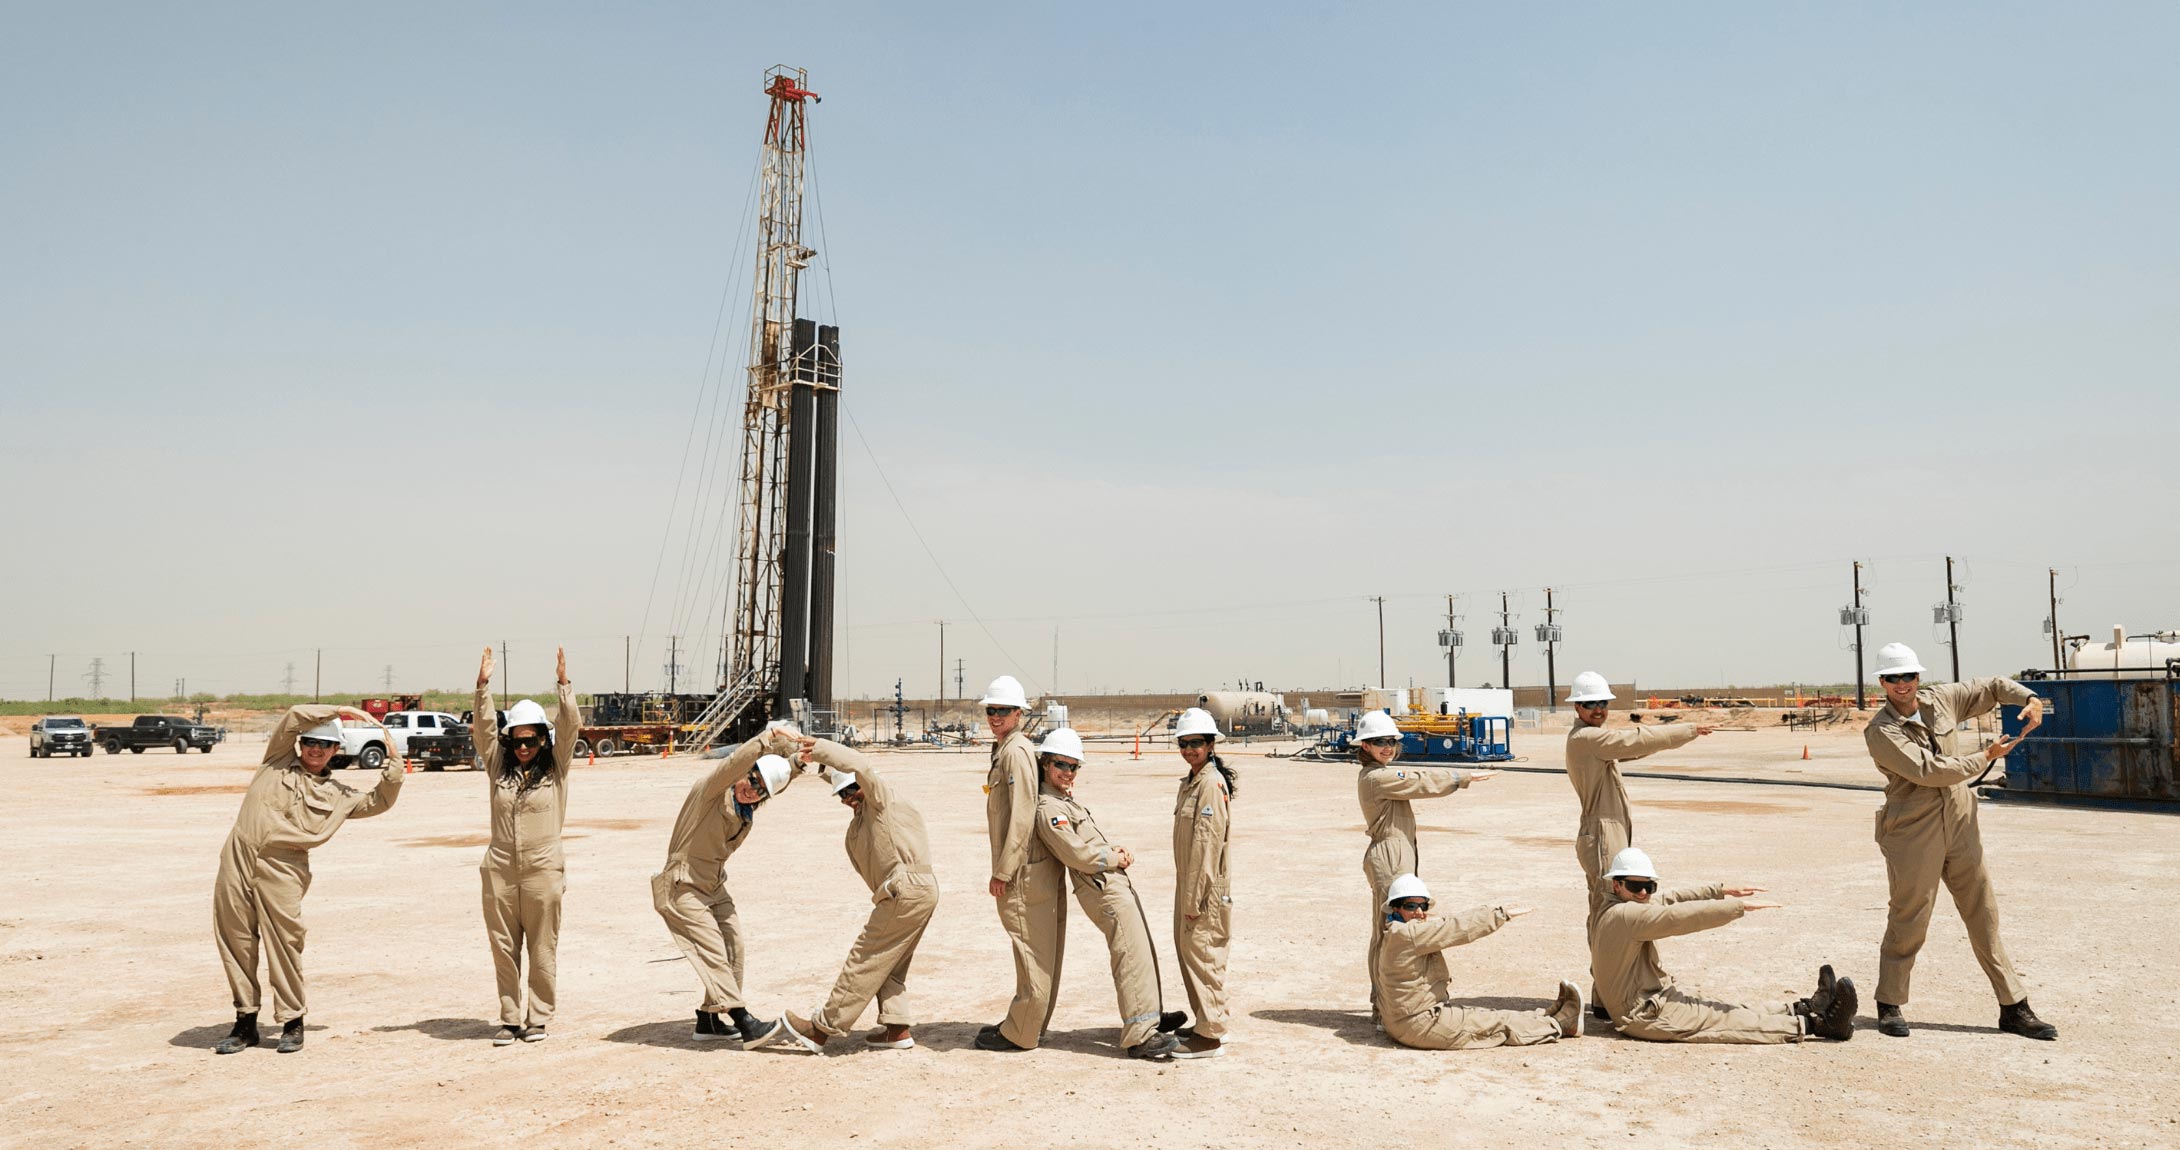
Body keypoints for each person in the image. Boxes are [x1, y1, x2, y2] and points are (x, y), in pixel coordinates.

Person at [1862, 642, 2056, 1040]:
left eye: (1909, 676)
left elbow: (1994, 686)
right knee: (1910, 915)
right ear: (1881, 682)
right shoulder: (1880, 730)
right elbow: (1929, 771)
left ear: (1920, 677)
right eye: (1893, 678)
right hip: (1913, 829)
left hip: (1961, 821)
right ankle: (1890, 1003)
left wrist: (2032, 698)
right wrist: (1986, 756)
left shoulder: (1943, 700)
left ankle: (2014, 1007)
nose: (1903, 685)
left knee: (1983, 913)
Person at [210, 705, 405, 1054]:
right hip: (238, 855)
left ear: (336, 750)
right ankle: (245, 1023)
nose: (316, 749)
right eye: (311, 741)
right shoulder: (276, 761)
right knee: (236, 939)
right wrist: (342, 710)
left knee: (284, 943)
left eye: (325, 744)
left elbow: (379, 801)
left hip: (284, 866)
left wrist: (394, 764)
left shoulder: (340, 796)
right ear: (300, 743)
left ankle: (292, 1022)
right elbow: (295, 714)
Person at [1563, 670, 1712, 1018]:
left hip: (1606, 829)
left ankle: (1608, 989)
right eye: (1589, 704)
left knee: (1611, 909)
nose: (1598, 709)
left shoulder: (1593, 738)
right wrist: (1686, 731)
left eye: (1602, 703)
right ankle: (1609, 991)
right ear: (1577, 708)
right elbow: (1634, 741)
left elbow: (1632, 749)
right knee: (1611, 910)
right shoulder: (1586, 738)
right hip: (1602, 832)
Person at [1590, 848, 1856, 1044]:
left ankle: (1801, 1008)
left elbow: (1670, 901)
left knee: (1725, 1008)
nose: (1644, 893)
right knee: (1726, 1021)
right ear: (1617, 884)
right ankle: (1818, 1024)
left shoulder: (1619, 906)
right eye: (1637, 886)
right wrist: (1735, 908)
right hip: (1641, 1015)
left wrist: (1718, 891)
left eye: (1649, 886)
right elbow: (1678, 917)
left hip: (1654, 999)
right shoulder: (1626, 916)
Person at [780, 736, 939, 1053]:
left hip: (905, 889)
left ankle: (822, 1028)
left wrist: (822, 748)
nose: (848, 799)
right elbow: (847, 776)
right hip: (919, 890)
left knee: (865, 958)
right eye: (842, 795)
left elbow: (860, 767)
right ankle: (896, 1028)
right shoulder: (865, 813)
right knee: (890, 961)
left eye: (852, 791)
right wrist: (819, 766)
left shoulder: (881, 797)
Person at [1031, 728, 1179, 1061]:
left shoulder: (1065, 802)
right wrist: (1115, 858)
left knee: (1141, 951)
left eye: (1073, 766)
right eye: (1060, 765)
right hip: (1101, 888)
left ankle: (1151, 1016)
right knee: (1128, 954)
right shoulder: (1049, 808)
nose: (1067, 772)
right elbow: (1077, 855)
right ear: (1044, 764)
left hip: (1113, 884)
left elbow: (1088, 845)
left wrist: (1112, 850)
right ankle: (1140, 1035)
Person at [651, 721, 801, 1047]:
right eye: (752, 779)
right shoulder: (713, 792)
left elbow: (777, 781)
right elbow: (735, 762)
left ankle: (708, 1020)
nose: (752, 788)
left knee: (735, 947)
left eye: (760, 789)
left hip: (714, 887)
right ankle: (742, 1020)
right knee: (713, 951)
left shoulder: (745, 811)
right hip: (682, 885)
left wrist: (798, 764)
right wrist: (768, 738)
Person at [1353, 709, 1497, 1026]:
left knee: (1395, 931)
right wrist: (1461, 777)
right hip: (1390, 855)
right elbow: (1420, 781)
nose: (1387, 747)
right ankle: (1383, 1006)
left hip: (1398, 852)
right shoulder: (1377, 777)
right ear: (1365, 746)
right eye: (1379, 742)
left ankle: (1389, 1002)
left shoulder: (1382, 773)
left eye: (1391, 741)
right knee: (1388, 933)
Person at [473, 645, 580, 1046]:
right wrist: (482, 685)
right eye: (516, 741)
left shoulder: (558, 768)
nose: (522, 748)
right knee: (503, 948)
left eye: (531, 741)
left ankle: (537, 1017)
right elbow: (483, 731)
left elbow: (570, 727)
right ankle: (509, 1018)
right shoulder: (497, 766)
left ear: (542, 740)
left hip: (543, 867)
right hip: (499, 867)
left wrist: (564, 686)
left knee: (542, 946)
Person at [1374, 874, 1582, 1049]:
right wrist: (1499, 915)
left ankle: (1546, 1015)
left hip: (1408, 1019)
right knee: (1496, 1025)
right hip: (1418, 1023)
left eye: (1423, 905)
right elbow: (1454, 928)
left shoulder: (1398, 931)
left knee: (1488, 1015)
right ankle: (1561, 1025)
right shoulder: (1407, 935)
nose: (1419, 912)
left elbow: (1442, 924)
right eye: (1411, 906)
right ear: (1395, 908)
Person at [976, 675, 1066, 1052]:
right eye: (991, 710)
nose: (995, 717)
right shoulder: (1009, 748)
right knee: (1035, 950)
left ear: (1018, 714)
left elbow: (1023, 815)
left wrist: (1004, 871)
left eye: (1003, 711)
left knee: (1030, 950)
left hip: (1023, 871)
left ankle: (1023, 1032)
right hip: (1029, 867)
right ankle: (1030, 1022)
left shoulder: (1015, 752)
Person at [1160, 707, 1234, 1059]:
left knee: (1203, 957)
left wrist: (1194, 900)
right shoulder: (1192, 782)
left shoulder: (1209, 784)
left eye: (1196, 743)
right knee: (1191, 954)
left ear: (1210, 745)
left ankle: (1210, 1037)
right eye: (1184, 743)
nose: (1189, 749)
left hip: (1203, 888)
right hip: (1189, 883)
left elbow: (1206, 847)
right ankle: (1208, 1021)